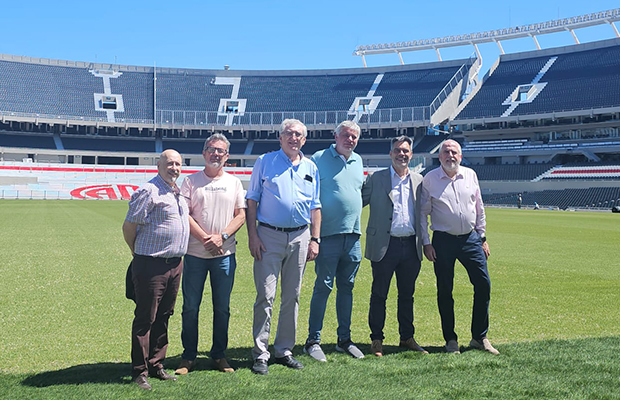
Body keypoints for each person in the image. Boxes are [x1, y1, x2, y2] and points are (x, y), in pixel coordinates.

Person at [246, 119, 321, 375]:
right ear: (280, 138)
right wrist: (253, 235)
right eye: (288, 133)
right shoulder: (265, 162)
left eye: (298, 134)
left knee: (293, 295)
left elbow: (315, 206)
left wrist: (315, 239)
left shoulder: (311, 167)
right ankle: (260, 353)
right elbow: (252, 200)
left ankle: (284, 350)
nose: (293, 137)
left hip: (301, 237)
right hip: (268, 236)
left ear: (304, 140)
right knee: (265, 296)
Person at [419, 139, 499, 355]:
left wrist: (482, 237)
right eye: (446, 152)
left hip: (471, 239)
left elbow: (479, 207)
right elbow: (422, 214)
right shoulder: (430, 179)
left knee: (483, 285)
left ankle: (479, 337)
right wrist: (426, 243)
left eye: (454, 152)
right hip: (443, 240)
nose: (450, 155)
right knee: (445, 290)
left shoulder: (470, 175)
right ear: (440, 156)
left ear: (460, 156)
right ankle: (450, 340)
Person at [175, 134, 246, 375]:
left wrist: (221, 237)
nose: (216, 154)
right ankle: (188, 356)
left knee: (222, 308)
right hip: (195, 254)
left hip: (224, 255)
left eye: (221, 151)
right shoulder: (190, 182)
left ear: (227, 156)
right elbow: (184, 214)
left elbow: (241, 215)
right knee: (190, 308)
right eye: (212, 150)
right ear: (204, 153)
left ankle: (219, 355)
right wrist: (207, 239)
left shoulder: (234, 183)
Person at [122, 149, 190, 390]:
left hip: (174, 264)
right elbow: (129, 226)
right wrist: (136, 252)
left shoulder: (178, 193)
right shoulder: (148, 191)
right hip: (151, 264)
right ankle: (139, 371)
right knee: (145, 318)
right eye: (170, 163)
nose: (174, 168)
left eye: (178, 164)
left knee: (164, 316)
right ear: (159, 166)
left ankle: (156, 364)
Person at [304, 121, 365, 362]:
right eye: (346, 136)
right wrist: (314, 236)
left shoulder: (358, 161)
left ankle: (344, 340)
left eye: (354, 137)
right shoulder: (319, 158)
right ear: (336, 136)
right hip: (326, 235)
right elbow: (309, 193)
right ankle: (313, 340)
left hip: (353, 236)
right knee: (323, 287)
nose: (350, 140)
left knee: (347, 289)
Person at [361, 135, 427, 357]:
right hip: (383, 245)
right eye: (398, 150)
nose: (402, 154)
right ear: (390, 154)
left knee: (407, 295)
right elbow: (356, 202)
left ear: (411, 154)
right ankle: (376, 339)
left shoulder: (419, 180)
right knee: (379, 294)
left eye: (406, 151)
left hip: (411, 245)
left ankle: (406, 337)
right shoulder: (376, 178)